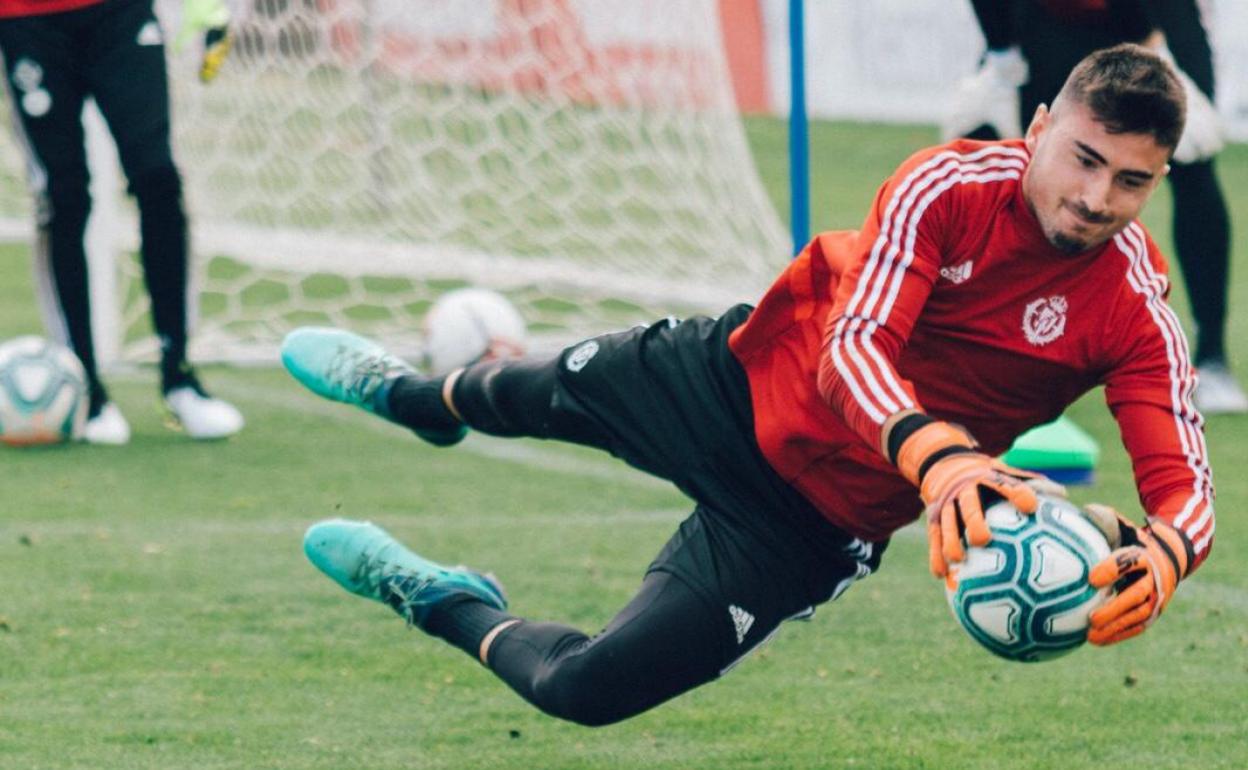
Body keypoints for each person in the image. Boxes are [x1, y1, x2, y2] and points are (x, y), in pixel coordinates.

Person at [283, 44, 1213, 727]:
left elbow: (1188, 488)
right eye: (1084, 160)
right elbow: (854, 346)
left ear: (1157, 181)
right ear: (1041, 130)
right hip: (734, 379)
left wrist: (1167, 554)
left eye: (1131, 182)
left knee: (587, 690)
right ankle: (409, 398)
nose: (1096, 199)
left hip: (810, 524)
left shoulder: (1134, 308)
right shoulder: (950, 189)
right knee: (520, 393)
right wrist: (946, 464)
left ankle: (438, 596)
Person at [945, 0, 1247, 414]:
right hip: (1038, 30)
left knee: (1194, 157)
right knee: (991, 147)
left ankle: (1211, 355)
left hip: (1139, 39)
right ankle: (971, 336)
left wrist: (1193, 88)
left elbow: (1179, 21)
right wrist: (1001, 54)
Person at [0, 0, 242, 444]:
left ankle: (180, 376)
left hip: (120, 13)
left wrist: (206, 8)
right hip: (25, 18)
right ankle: (87, 385)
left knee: (158, 177)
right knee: (63, 196)